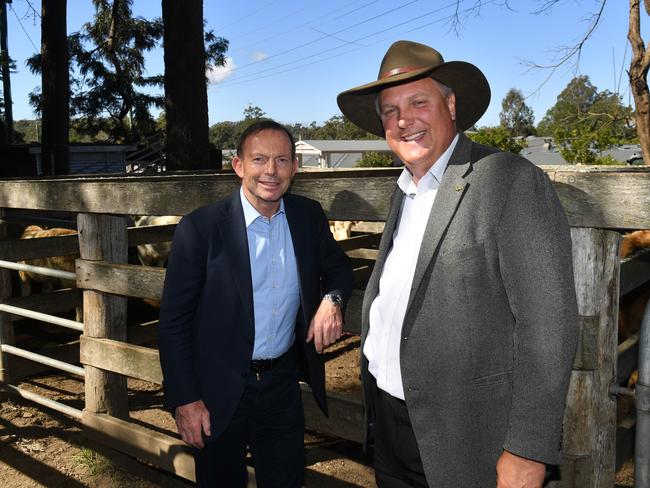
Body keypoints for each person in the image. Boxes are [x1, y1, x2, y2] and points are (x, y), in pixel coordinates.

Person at [337, 40, 578, 487]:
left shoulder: (508, 181)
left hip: (466, 439)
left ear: (450, 104)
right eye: (390, 110)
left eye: (418, 102)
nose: (403, 119)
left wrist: (529, 448)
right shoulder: (406, 189)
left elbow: (549, 325)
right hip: (388, 425)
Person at [157, 119, 353, 487]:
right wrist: (185, 399)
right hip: (217, 391)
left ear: (296, 168)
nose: (271, 171)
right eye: (259, 159)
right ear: (238, 166)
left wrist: (332, 299)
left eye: (282, 160)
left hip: (281, 384)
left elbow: (339, 267)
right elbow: (173, 323)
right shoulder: (200, 229)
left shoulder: (307, 217)